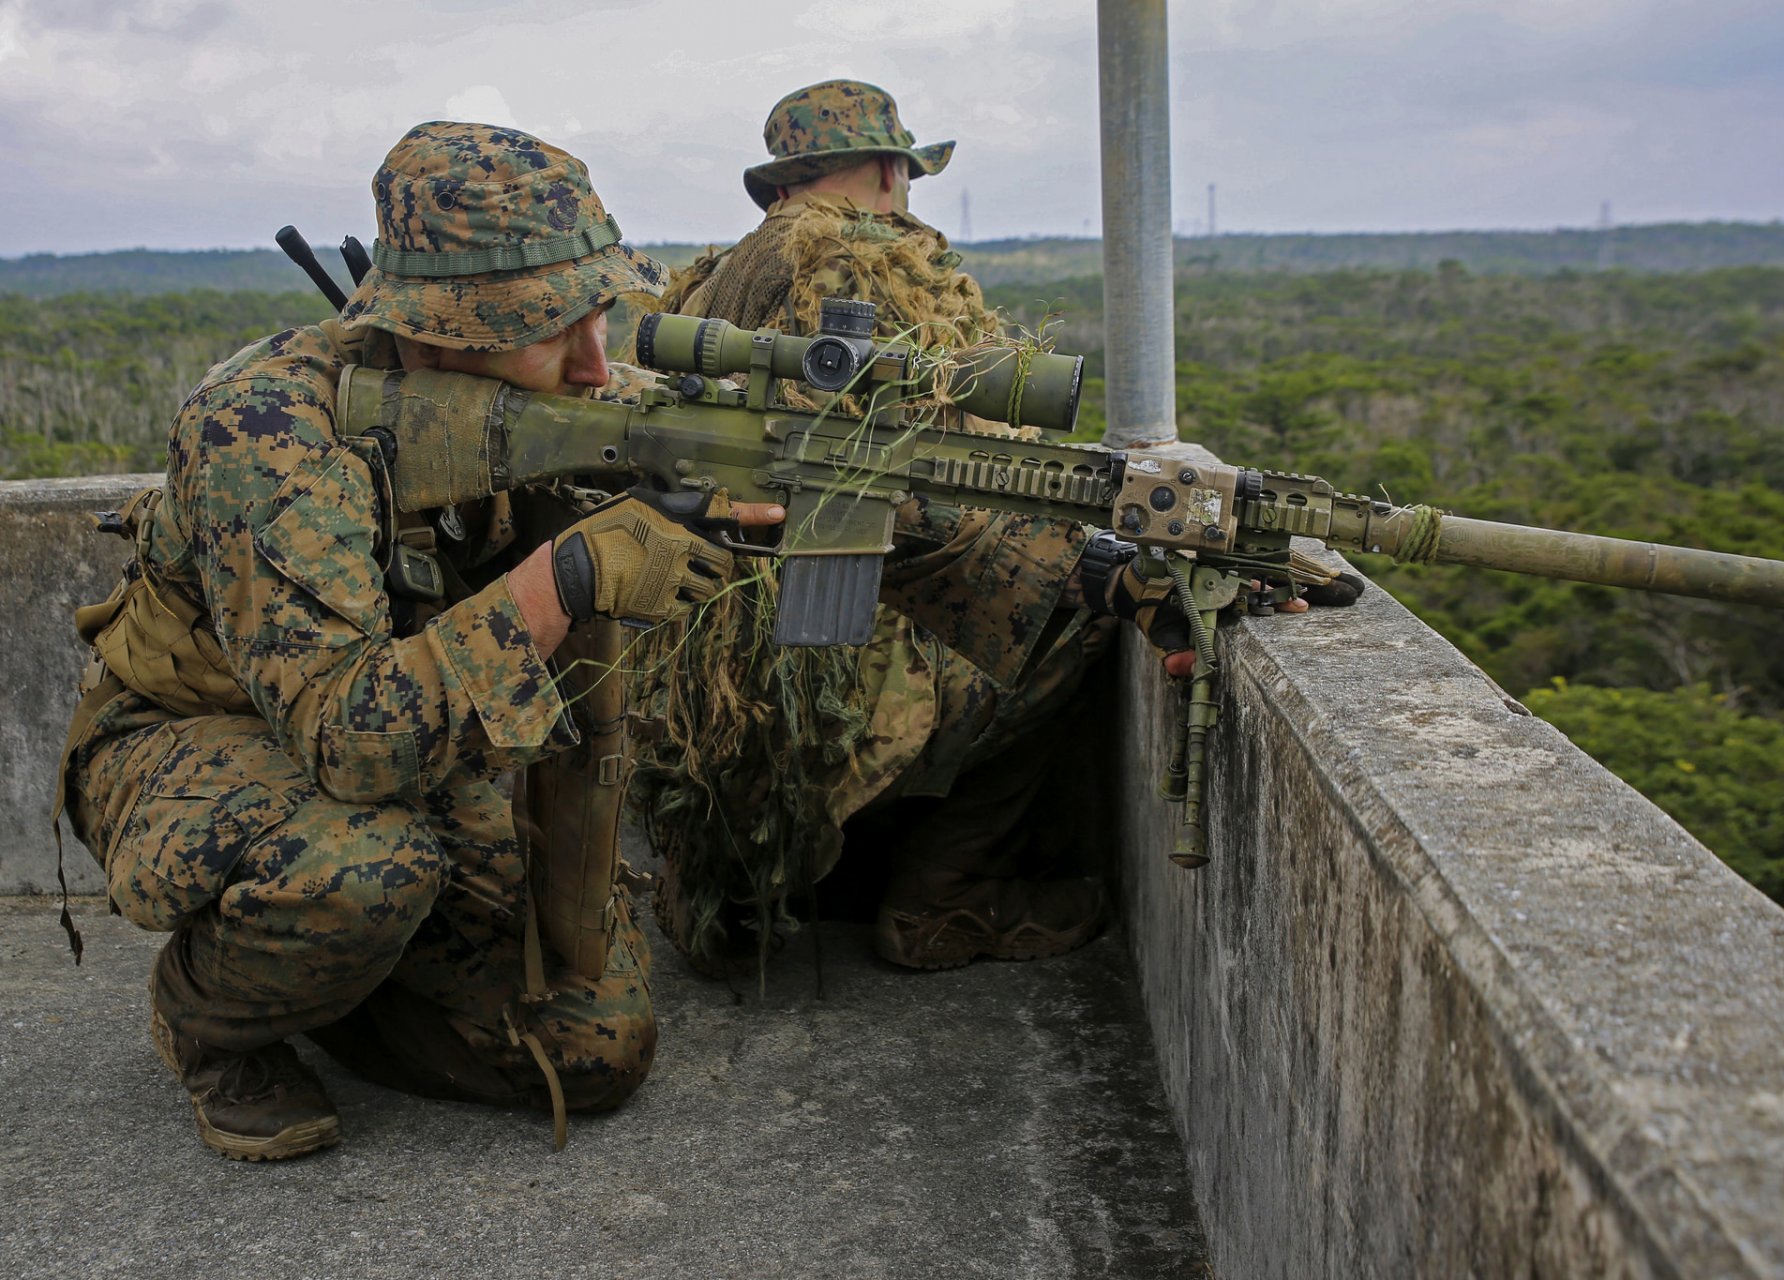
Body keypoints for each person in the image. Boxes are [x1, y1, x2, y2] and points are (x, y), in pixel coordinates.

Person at [52, 122, 776, 1162]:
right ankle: (209, 1016)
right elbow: (352, 741)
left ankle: (328, 974)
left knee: (596, 1044)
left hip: (400, 732)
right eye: (551, 329)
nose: (593, 363)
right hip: (194, 733)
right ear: (440, 330)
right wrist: (569, 574)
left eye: (599, 314)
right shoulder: (267, 435)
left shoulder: (535, 393)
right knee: (363, 866)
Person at [635, 81, 1294, 976]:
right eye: (902, 174)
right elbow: (976, 482)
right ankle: (950, 892)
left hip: (703, 712)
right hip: (814, 703)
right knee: (1069, 607)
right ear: (884, 169)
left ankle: (810, 873)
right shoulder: (875, 263)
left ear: (781, 181)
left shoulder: (709, 282)